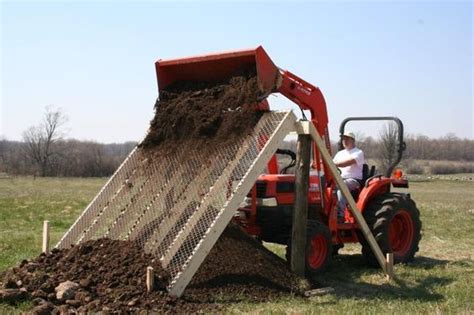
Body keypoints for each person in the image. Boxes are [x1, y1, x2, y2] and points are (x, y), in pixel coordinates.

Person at [333, 132, 365, 222]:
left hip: (353, 180)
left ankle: (340, 215)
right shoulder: (340, 153)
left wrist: (334, 164)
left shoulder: (358, 152)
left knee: (341, 186)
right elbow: (330, 163)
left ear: (353, 140)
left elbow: (347, 162)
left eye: (347, 139)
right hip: (339, 178)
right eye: (343, 139)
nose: (345, 141)